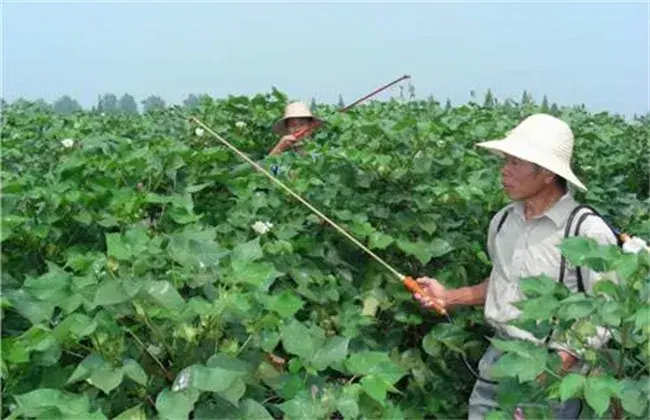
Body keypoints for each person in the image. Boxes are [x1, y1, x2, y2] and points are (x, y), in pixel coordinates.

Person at [414, 113, 617, 419]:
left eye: (515, 163)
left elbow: (607, 309)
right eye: (505, 161)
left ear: (547, 173)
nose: (504, 172)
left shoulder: (586, 231)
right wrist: (448, 297)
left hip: (550, 367)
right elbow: (503, 283)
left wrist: (558, 362)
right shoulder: (504, 221)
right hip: (498, 357)